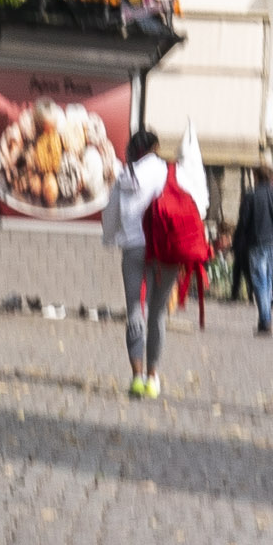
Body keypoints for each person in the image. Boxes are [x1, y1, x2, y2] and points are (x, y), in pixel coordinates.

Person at [107, 121, 175, 396]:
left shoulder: (126, 174)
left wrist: (111, 238)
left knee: (135, 310)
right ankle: (153, 378)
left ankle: (136, 376)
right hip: (167, 249)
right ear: (155, 148)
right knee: (158, 312)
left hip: (134, 248)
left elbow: (110, 213)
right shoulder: (170, 173)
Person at [238, 163, 273, 332]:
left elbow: (244, 222)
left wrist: (240, 242)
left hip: (257, 242)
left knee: (260, 281)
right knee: (268, 280)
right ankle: (265, 316)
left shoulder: (251, 196)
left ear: (256, 177)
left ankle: (265, 319)